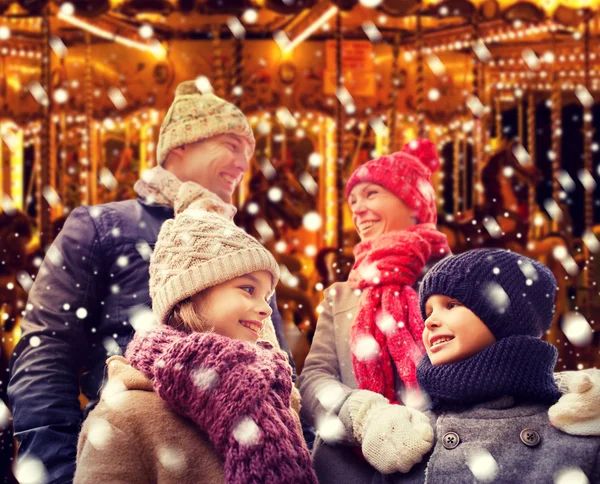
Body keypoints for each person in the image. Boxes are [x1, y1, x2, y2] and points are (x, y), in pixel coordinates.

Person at [8, 80, 294, 484]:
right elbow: (46, 351)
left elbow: (277, 359)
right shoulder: (100, 227)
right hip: (136, 454)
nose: (243, 162)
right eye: (231, 145)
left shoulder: (243, 249)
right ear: (181, 145)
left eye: (248, 152)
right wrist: (59, 471)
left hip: (238, 461)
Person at [297, 140, 600, 482]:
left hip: (444, 455)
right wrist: (364, 417)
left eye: (371, 194)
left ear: (412, 201)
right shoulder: (343, 294)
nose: (358, 209)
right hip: (350, 466)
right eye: (353, 201)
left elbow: (503, 363)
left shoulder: (456, 280)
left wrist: (561, 389)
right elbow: (314, 379)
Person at [74, 183, 316, 484]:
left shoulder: (276, 397)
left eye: (266, 297)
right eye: (248, 289)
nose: (265, 309)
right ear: (192, 293)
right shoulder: (125, 417)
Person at [395, 248, 599, 482]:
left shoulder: (577, 427)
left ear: (506, 315)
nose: (430, 321)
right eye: (428, 312)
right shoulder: (412, 435)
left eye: (451, 305)